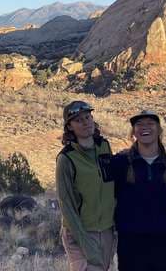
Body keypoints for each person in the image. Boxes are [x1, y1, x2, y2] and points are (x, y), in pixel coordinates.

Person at [111, 110, 166, 271]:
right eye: (139, 124)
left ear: (159, 130)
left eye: (150, 123)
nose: (145, 128)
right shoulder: (120, 163)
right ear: (133, 132)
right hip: (131, 243)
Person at [55, 100, 116, 271]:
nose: (85, 122)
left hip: (105, 229)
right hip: (80, 230)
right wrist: (85, 242)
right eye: (79, 120)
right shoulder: (66, 159)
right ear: (70, 127)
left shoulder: (104, 146)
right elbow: (65, 203)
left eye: (88, 117)